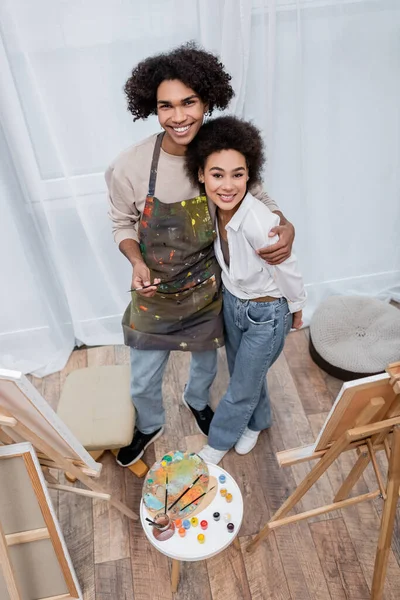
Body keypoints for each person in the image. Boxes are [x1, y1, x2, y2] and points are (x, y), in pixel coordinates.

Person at [106, 43, 295, 467]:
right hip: (154, 292)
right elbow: (120, 223)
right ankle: (149, 423)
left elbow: (259, 196)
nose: (179, 116)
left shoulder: (218, 156)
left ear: (207, 100)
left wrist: (287, 224)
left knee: (206, 369)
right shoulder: (131, 167)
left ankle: (198, 402)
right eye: (165, 106)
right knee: (142, 381)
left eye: (189, 102)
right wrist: (137, 262)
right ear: (151, 108)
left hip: (208, 290)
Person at [185, 116, 307, 465]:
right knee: (245, 373)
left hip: (266, 316)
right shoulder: (211, 208)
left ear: (250, 176)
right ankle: (259, 421)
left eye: (238, 174)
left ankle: (216, 445)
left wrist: (297, 306)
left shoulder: (260, 223)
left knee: (240, 386)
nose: (227, 185)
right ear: (201, 175)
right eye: (217, 174)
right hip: (233, 305)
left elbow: (288, 269)